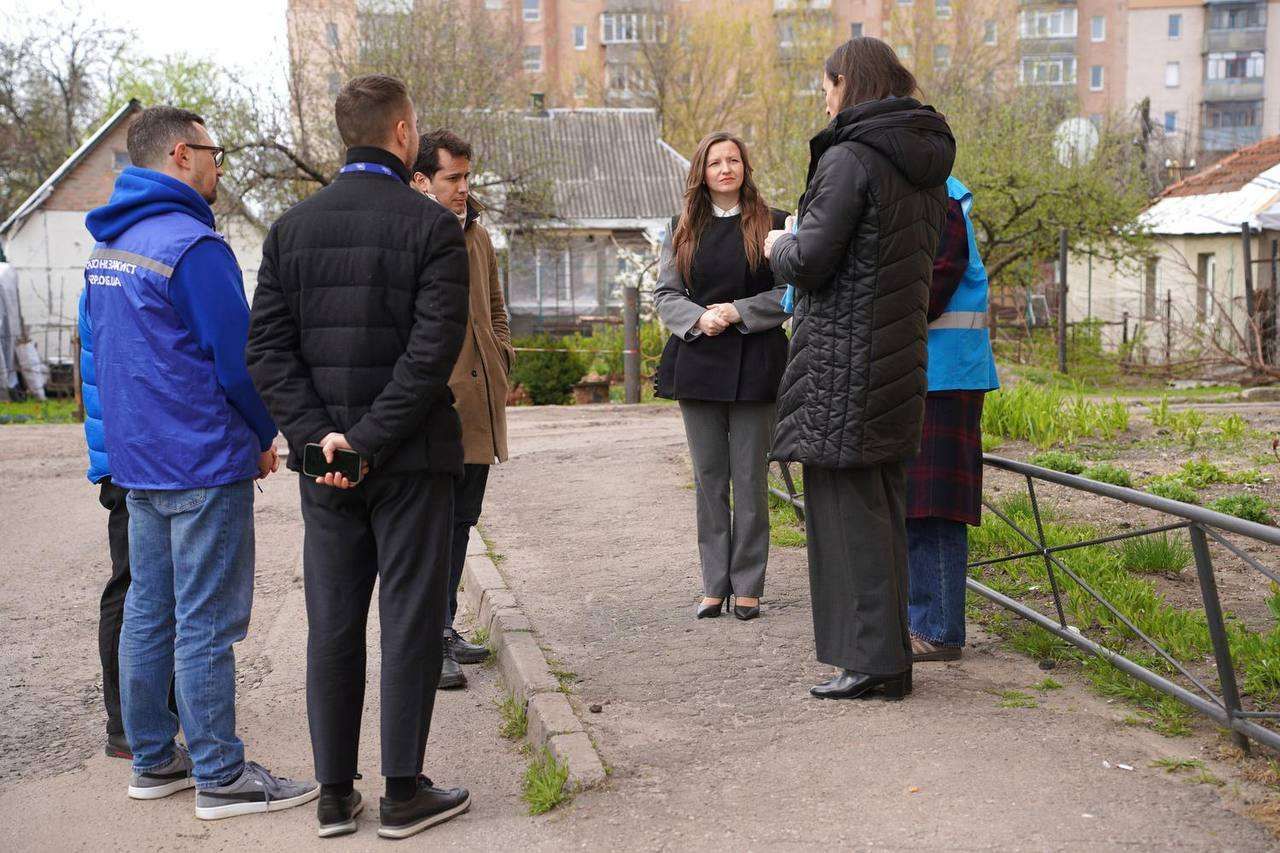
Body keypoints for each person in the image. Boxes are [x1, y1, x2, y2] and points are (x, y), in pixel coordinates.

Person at [246, 75, 472, 840]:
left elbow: (267, 352)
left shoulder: (290, 230)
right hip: (407, 462)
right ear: (404, 133)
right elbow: (431, 352)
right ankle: (403, 792)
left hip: (328, 469)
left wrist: (321, 442)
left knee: (333, 623)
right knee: (409, 620)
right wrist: (368, 439)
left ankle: (335, 795)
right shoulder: (433, 228)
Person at [82, 105, 317, 817]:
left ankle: (154, 759)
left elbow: (99, 359)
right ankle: (220, 773)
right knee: (207, 623)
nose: (221, 166)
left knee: (150, 612)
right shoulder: (193, 247)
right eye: (216, 151)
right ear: (183, 154)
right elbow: (240, 361)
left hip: (139, 464)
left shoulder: (107, 250)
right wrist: (264, 433)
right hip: (202, 462)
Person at [763, 37, 956, 700]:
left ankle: (871, 662)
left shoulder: (851, 157)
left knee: (847, 520)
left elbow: (812, 258)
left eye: (828, 84)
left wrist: (776, 243)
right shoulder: (923, 162)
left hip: (843, 366)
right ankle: (886, 659)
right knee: (879, 513)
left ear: (851, 82)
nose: (825, 97)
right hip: (896, 360)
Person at [653, 131, 790, 622]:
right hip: (699, 364)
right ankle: (714, 584)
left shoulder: (775, 225)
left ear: (745, 168)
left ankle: (749, 584)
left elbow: (788, 293)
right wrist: (698, 318)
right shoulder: (683, 227)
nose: (726, 168)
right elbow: (665, 294)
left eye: (734, 160)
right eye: (716, 162)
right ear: (703, 172)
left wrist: (737, 311)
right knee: (710, 480)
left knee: (751, 481)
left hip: (757, 367)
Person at [409, 129, 513, 691]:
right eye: (453, 178)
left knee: (459, 526)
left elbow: (496, 308)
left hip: (480, 403)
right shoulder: (411, 231)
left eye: (467, 177)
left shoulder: (478, 235)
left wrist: (501, 357)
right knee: (431, 531)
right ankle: (425, 645)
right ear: (422, 179)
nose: (462, 188)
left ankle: (443, 631)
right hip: (434, 408)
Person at [907, 177, 999, 663]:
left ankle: (939, 629)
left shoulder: (938, 201)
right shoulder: (933, 197)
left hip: (945, 374)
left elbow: (934, 282)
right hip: (932, 372)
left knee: (934, 506)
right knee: (917, 505)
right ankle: (922, 620)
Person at [77, 290, 131, 760]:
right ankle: (124, 722)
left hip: (119, 450)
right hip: (131, 452)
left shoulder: (102, 267)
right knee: (132, 584)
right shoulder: (121, 267)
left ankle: (145, 711)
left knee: (138, 583)